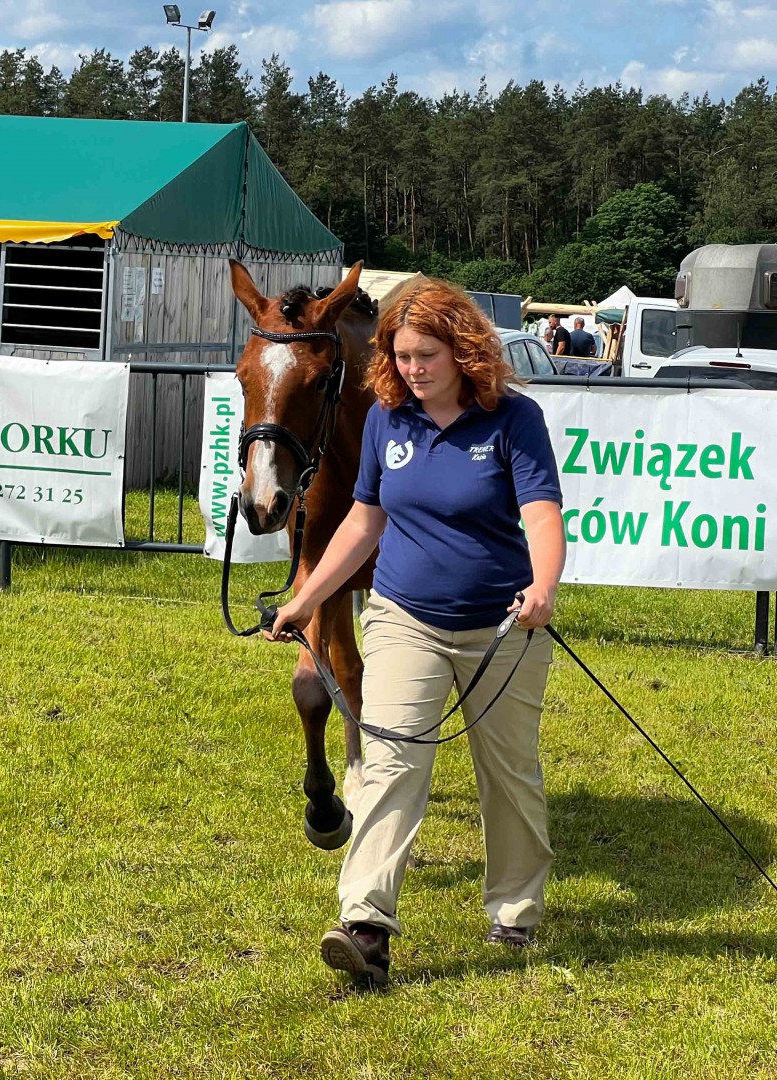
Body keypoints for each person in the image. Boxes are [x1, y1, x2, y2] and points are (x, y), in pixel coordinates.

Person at [264, 275, 565, 988]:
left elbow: (543, 516)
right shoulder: (386, 422)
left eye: (426, 354)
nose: (412, 368)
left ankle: (515, 911)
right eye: (401, 355)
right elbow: (363, 522)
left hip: (502, 625)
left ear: (463, 351)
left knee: (508, 772)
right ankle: (365, 925)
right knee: (389, 760)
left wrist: (543, 586)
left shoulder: (512, 420)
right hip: (404, 617)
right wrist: (307, 598)